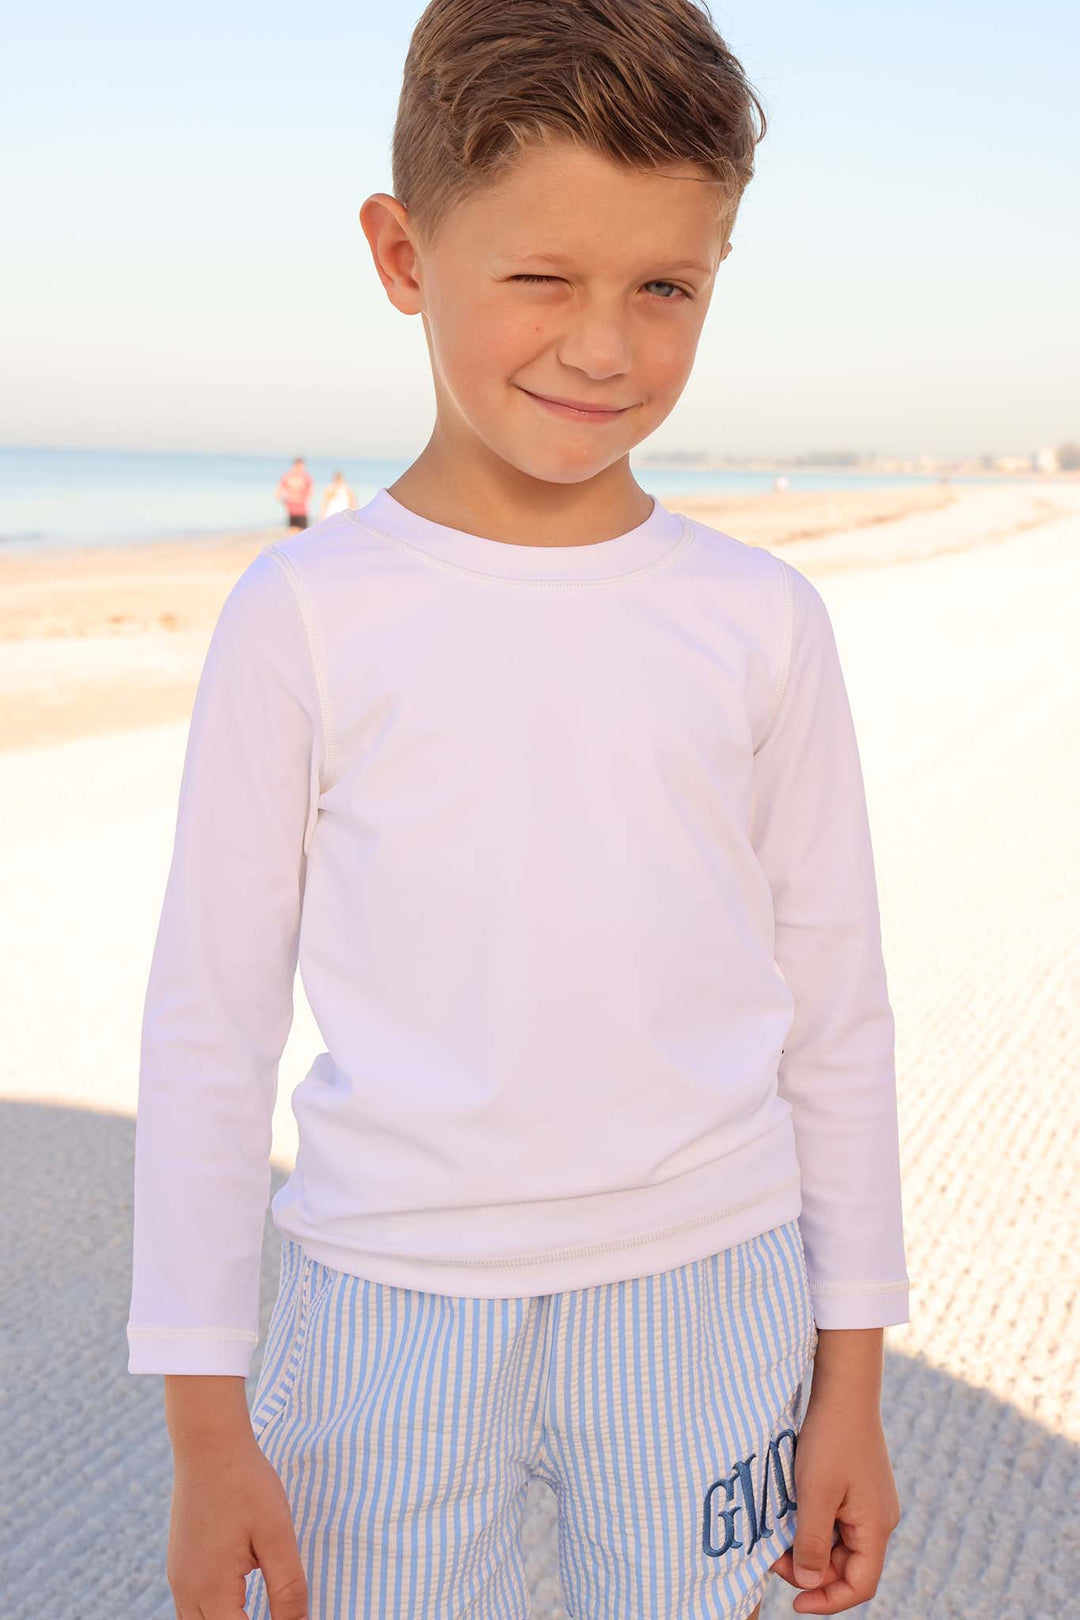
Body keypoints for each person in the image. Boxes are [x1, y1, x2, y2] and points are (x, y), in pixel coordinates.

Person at [127, 4, 910, 1619]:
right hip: (388, 1303)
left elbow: (839, 1012)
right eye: (542, 278)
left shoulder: (760, 621)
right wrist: (208, 1431)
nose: (605, 346)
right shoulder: (306, 615)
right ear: (404, 254)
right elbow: (209, 1024)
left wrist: (853, 1382)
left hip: (712, 1288)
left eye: (666, 288)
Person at [274, 456, 313, 529]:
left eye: (302, 466)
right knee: (293, 533)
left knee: (303, 533)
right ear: (295, 465)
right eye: (299, 466)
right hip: (291, 510)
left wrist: (300, 498)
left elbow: (310, 493)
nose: (300, 468)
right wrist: (286, 499)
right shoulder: (287, 476)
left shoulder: (306, 477)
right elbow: (278, 492)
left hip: (302, 510)